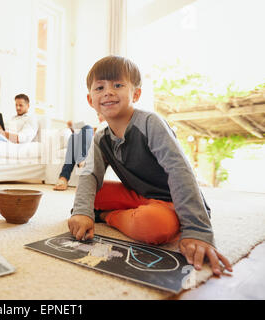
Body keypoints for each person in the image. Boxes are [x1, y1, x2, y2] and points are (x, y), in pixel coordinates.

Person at [68, 55, 233, 276]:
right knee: (86, 194)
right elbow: (90, 175)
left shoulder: (150, 123)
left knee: (153, 226)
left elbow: (179, 170)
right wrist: (82, 212)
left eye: (118, 85)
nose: (108, 92)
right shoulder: (101, 137)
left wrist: (197, 230)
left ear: (135, 94)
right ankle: (113, 212)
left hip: (171, 202)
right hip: (137, 195)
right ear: (91, 100)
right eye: (100, 87)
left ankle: (108, 216)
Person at [53, 112, 106, 191]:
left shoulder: (107, 125)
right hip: (86, 149)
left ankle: (64, 177)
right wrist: (72, 127)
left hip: (95, 148)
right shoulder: (97, 127)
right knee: (74, 136)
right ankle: (79, 165)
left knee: (87, 128)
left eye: (100, 114)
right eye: (97, 114)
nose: (98, 116)